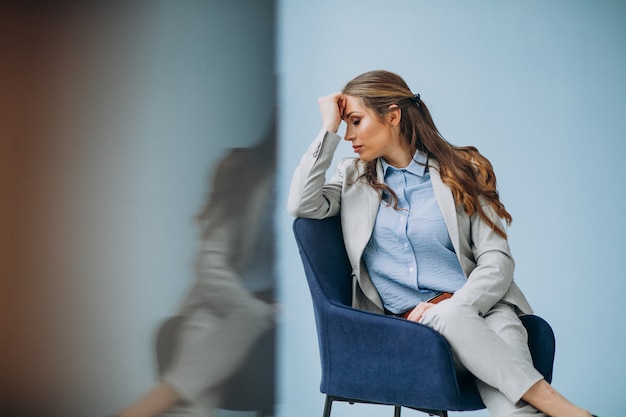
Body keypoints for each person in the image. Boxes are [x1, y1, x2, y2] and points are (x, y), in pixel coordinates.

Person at [287, 70, 597, 417]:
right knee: (484, 344)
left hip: (480, 308)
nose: (349, 135)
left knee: (509, 374)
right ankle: (562, 407)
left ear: (393, 116)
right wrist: (326, 129)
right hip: (412, 333)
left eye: (355, 122)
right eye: (344, 125)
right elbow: (301, 204)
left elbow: (497, 259)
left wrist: (460, 304)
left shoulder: (461, 171)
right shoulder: (353, 177)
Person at [115, 129, 276, 417]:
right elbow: (210, 261)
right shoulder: (243, 169)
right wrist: (244, 306)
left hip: (283, 313)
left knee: (241, 322)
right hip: (225, 303)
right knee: (206, 330)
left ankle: (155, 401)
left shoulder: (334, 179)